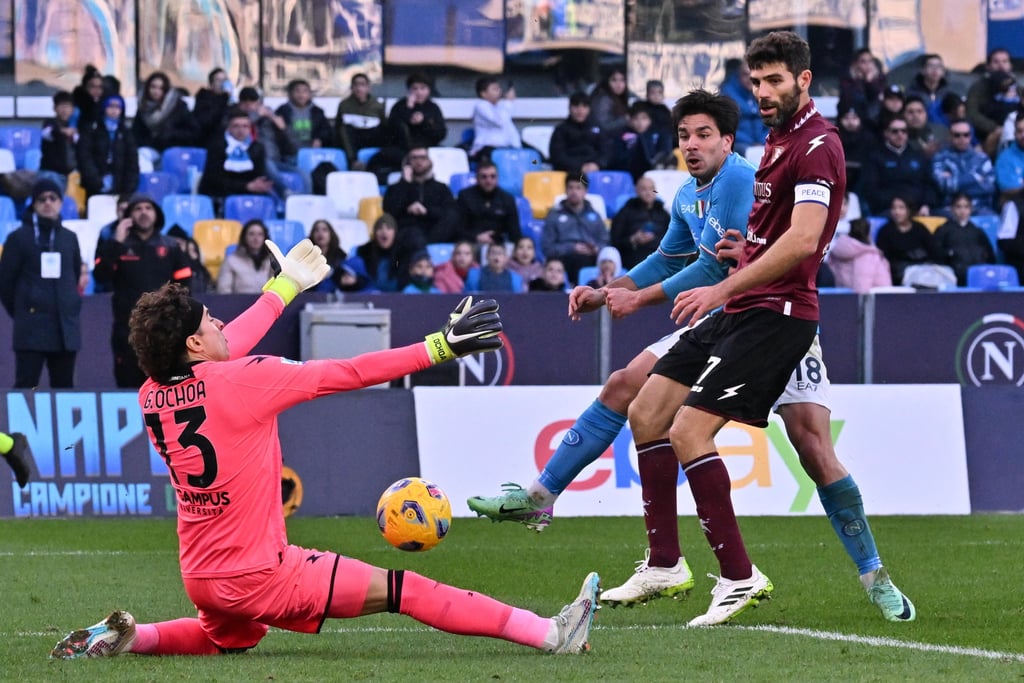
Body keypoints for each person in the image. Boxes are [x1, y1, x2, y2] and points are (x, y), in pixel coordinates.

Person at [469, 36, 915, 627]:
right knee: (639, 400)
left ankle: (870, 574)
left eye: (774, 81)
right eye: (755, 83)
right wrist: (614, 290)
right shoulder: (742, 164)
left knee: (811, 447)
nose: (762, 93)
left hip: (771, 316)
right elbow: (686, 254)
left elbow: (771, 252)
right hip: (734, 309)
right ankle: (645, 550)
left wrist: (690, 287)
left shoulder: (789, 154)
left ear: (802, 81)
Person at [49, 251, 600, 659]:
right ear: (194, 345)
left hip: (201, 574)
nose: (220, 323)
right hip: (261, 575)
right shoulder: (245, 381)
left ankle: (130, 637)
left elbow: (226, 347)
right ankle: (552, 634)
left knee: (228, 640)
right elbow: (349, 372)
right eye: (209, 320)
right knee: (406, 590)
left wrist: (284, 286)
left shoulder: (151, 394)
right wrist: (440, 346)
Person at [92, 193, 192, 388]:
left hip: (165, 329)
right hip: (127, 330)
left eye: (148, 208)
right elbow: (101, 276)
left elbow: (186, 285)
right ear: (129, 216)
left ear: (156, 214)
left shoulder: (171, 246)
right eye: (138, 209)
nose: (143, 213)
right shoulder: (118, 245)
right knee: (129, 385)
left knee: (166, 387)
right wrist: (116, 242)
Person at [0, 178, 88, 388]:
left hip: (65, 328)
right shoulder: (18, 238)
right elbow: (5, 283)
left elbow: (74, 275)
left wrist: (69, 304)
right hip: (31, 327)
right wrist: (23, 311)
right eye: (42, 199)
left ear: (60, 203)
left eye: (53, 198)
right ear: (34, 204)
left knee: (65, 389)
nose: (47, 203)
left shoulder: (69, 238)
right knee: (26, 386)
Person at [382, 147, 458, 284]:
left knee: (453, 217)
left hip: (434, 233)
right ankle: (423, 278)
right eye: (414, 158)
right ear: (407, 163)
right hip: (407, 233)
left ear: (429, 162)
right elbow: (389, 211)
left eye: (422, 158)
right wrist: (405, 183)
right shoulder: (396, 188)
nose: (419, 162)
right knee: (413, 235)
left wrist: (426, 210)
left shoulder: (441, 188)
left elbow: (449, 213)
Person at [371, 71, 447, 184]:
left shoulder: (433, 108)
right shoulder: (400, 106)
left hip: (426, 150)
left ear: (429, 90)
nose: (419, 92)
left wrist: (424, 122)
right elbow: (392, 130)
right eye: (415, 88)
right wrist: (408, 110)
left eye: (423, 88)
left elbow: (440, 133)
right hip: (402, 149)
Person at [860, 115, 939, 215]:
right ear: (886, 133)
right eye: (895, 131)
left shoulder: (918, 156)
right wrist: (897, 206)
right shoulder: (875, 157)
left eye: (903, 131)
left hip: (918, 209)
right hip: (888, 210)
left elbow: (930, 185)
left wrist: (926, 205)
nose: (900, 134)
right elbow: (871, 189)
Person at [237, 87, 306, 196]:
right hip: (251, 162)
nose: (249, 106)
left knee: (303, 173)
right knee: (266, 162)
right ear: (240, 104)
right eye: (245, 102)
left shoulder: (269, 119)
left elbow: (293, 147)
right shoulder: (233, 118)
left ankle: (308, 199)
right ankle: (285, 192)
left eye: (253, 102)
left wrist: (283, 129)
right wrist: (257, 115)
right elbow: (239, 129)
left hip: (275, 160)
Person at [540, 176, 608, 285]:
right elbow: (547, 248)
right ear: (565, 190)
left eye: (578, 188)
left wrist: (595, 249)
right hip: (564, 259)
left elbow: (605, 242)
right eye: (570, 188)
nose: (574, 192)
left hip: (591, 258)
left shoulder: (595, 216)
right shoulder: (554, 215)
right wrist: (572, 248)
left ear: (585, 191)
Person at [198, 108, 273, 202]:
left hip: (248, 194)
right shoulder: (217, 146)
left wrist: (255, 185)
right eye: (236, 126)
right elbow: (213, 179)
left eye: (245, 126)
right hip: (220, 195)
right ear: (229, 128)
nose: (241, 130)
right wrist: (246, 186)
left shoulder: (257, 148)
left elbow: (258, 174)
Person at [76, 94, 139, 198]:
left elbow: (132, 163)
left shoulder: (126, 133)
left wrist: (127, 191)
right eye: (111, 106)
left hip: (120, 189)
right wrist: (97, 182)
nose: (114, 110)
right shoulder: (92, 130)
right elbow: (84, 157)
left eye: (118, 107)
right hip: (94, 187)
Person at [932, 120, 996, 215]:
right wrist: (976, 177)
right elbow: (944, 186)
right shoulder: (940, 158)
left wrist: (954, 182)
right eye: (957, 135)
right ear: (950, 136)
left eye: (966, 135)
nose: (962, 138)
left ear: (970, 136)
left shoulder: (982, 158)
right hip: (950, 210)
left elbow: (989, 187)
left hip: (980, 208)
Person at [132, 72, 199, 162]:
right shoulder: (143, 107)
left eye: (161, 88)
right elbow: (136, 133)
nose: (156, 91)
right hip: (151, 149)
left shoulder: (177, 106)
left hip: (174, 151)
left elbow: (193, 131)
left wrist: (171, 134)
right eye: (153, 87)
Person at [932, 192, 997, 285]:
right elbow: (936, 255)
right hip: (953, 277)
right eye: (958, 207)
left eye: (966, 207)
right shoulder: (943, 230)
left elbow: (990, 257)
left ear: (971, 209)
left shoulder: (977, 231)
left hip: (979, 276)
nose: (962, 211)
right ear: (952, 209)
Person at [455, 161, 521, 247]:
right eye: (484, 177)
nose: (488, 180)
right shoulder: (465, 196)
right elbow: (458, 228)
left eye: (492, 176)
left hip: (499, 246)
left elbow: (515, 232)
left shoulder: (507, 199)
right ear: (477, 178)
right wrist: (477, 237)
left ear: (497, 178)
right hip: (472, 244)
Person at [875, 195, 939, 285]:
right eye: (894, 208)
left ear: (909, 210)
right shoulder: (885, 231)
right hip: (897, 276)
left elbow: (934, 251)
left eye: (901, 208)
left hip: (922, 273)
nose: (897, 212)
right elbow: (882, 258)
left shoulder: (920, 228)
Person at [603, 101, 674, 181]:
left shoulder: (659, 134)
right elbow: (616, 159)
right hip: (628, 178)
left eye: (644, 118)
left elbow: (664, 153)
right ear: (630, 120)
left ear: (650, 120)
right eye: (636, 118)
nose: (640, 123)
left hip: (653, 179)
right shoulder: (622, 135)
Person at [966, 48, 1018, 155]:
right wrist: (994, 127)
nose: (1001, 66)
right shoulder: (978, 87)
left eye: (1004, 61)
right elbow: (972, 114)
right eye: (996, 62)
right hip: (987, 132)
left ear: (1010, 65)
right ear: (988, 66)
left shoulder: (1018, 88)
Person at [610, 175, 670, 269]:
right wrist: (633, 240)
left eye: (652, 189)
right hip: (635, 254)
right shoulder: (626, 211)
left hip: (660, 253)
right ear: (636, 191)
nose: (648, 193)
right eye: (644, 189)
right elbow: (615, 240)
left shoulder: (663, 212)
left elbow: (673, 236)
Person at [334, 73, 386, 170]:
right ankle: (354, 162)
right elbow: (338, 126)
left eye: (362, 85)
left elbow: (384, 126)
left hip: (371, 136)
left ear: (368, 87)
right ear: (352, 88)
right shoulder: (344, 105)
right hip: (353, 139)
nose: (359, 88)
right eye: (356, 85)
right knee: (343, 130)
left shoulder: (377, 105)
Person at [828, 217, 892, 293]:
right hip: (876, 299)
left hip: (842, 296)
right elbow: (862, 288)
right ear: (868, 233)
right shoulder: (866, 255)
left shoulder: (838, 249)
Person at [720, 59, 769, 156]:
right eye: (745, 75)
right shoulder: (727, 94)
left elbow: (771, 124)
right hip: (740, 144)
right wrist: (751, 143)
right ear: (738, 75)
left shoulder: (764, 92)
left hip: (761, 143)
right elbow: (727, 128)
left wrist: (763, 141)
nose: (750, 79)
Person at [308, 218, 370, 293]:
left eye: (324, 230)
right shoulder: (306, 258)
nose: (320, 233)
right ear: (312, 235)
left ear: (331, 235)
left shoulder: (341, 257)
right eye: (316, 230)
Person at [549, 92, 604, 175]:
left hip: (596, 172)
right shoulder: (561, 130)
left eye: (584, 106)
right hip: (569, 174)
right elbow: (557, 156)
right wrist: (579, 167)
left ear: (589, 109)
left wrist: (597, 164)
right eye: (576, 106)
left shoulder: (598, 128)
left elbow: (607, 151)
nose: (580, 110)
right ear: (569, 108)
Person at [469, 75, 521, 162]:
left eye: (499, 88)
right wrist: (508, 102)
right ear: (483, 93)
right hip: (486, 148)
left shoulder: (500, 105)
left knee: (536, 155)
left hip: (506, 147)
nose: (499, 91)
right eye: (494, 89)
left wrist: (518, 147)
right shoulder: (481, 106)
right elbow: (499, 121)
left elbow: (510, 129)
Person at [274, 79, 333, 154]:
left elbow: (326, 130)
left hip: (313, 151)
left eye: (305, 91)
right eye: (297, 91)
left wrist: (319, 139)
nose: (301, 95)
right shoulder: (282, 111)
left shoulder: (317, 111)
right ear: (290, 93)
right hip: (290, 152)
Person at [216, 219, 274, 294]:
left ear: (265, 237)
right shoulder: (231, 261)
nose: (256, 238)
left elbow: (275, 290)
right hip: (238, 304)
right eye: (251, 234)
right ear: (244, 237)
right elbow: (223, 291)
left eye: (260, 234)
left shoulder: (271, 261)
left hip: (265, 304)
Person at [38, 91, 78, 192]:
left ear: (72, 109)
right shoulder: (49, 123)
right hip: (51, 173)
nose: (64, 110)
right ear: (54, 108)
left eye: (67, 107)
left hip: (71, 174)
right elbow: (47, 133)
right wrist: (62, 132)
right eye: (61, 106)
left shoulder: (75, 127)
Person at [352, 214, 400, 292]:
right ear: (374, 233)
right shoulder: (364, 252)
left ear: (395, 233)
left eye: (389, 228)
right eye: (380, 228)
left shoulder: (403, 254)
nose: (384, 232)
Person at [838, 48, 887, 123]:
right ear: (855, 64)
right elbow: (848, 100)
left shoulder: (879, 78)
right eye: (863, 61)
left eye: (870, 61)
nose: (868, 65)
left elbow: (877, 98)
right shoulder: (848, 80)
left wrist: (870, 82)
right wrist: (859, 81)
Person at [906, 54, 957, 124]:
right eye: (931, 66)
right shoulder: (912, 92)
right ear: (922, 70)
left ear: (943, 71)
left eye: (939, 66)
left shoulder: (949, 92)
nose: (935, 70)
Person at [193, 67, 234, 142]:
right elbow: (207, 121)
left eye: (225, 80)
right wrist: (224, 97)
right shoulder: (204, 98)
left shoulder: (230, 101)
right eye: (219, 80)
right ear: (211, 84)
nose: (223, 84)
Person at [589, 67, 630, 141]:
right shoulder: (604, 100)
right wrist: (626, 120)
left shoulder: (618, 98)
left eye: (622, 80)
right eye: (614, 80)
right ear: (607, 81)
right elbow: (601, 126)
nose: (619, 84)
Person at [903, 94, 948, 160]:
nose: (915, 116)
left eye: (919, 111)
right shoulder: (898, 135)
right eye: (910, 112)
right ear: (903, 115)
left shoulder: (942, 132)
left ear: (926, 114)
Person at [995, 115, 1024, 204]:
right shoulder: (1005, 157)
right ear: (1014, 133)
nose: (1023, 135)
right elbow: (1007, 190)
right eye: (1019, 131)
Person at [640, 80, 674, 149]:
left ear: (663, 95)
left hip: (663, 139)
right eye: (653, 93)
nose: (656, 96)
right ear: (647, 94)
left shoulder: (665, 110)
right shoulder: (642, 108)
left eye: (659, 93)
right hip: (647, 137)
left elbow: (669, 126)